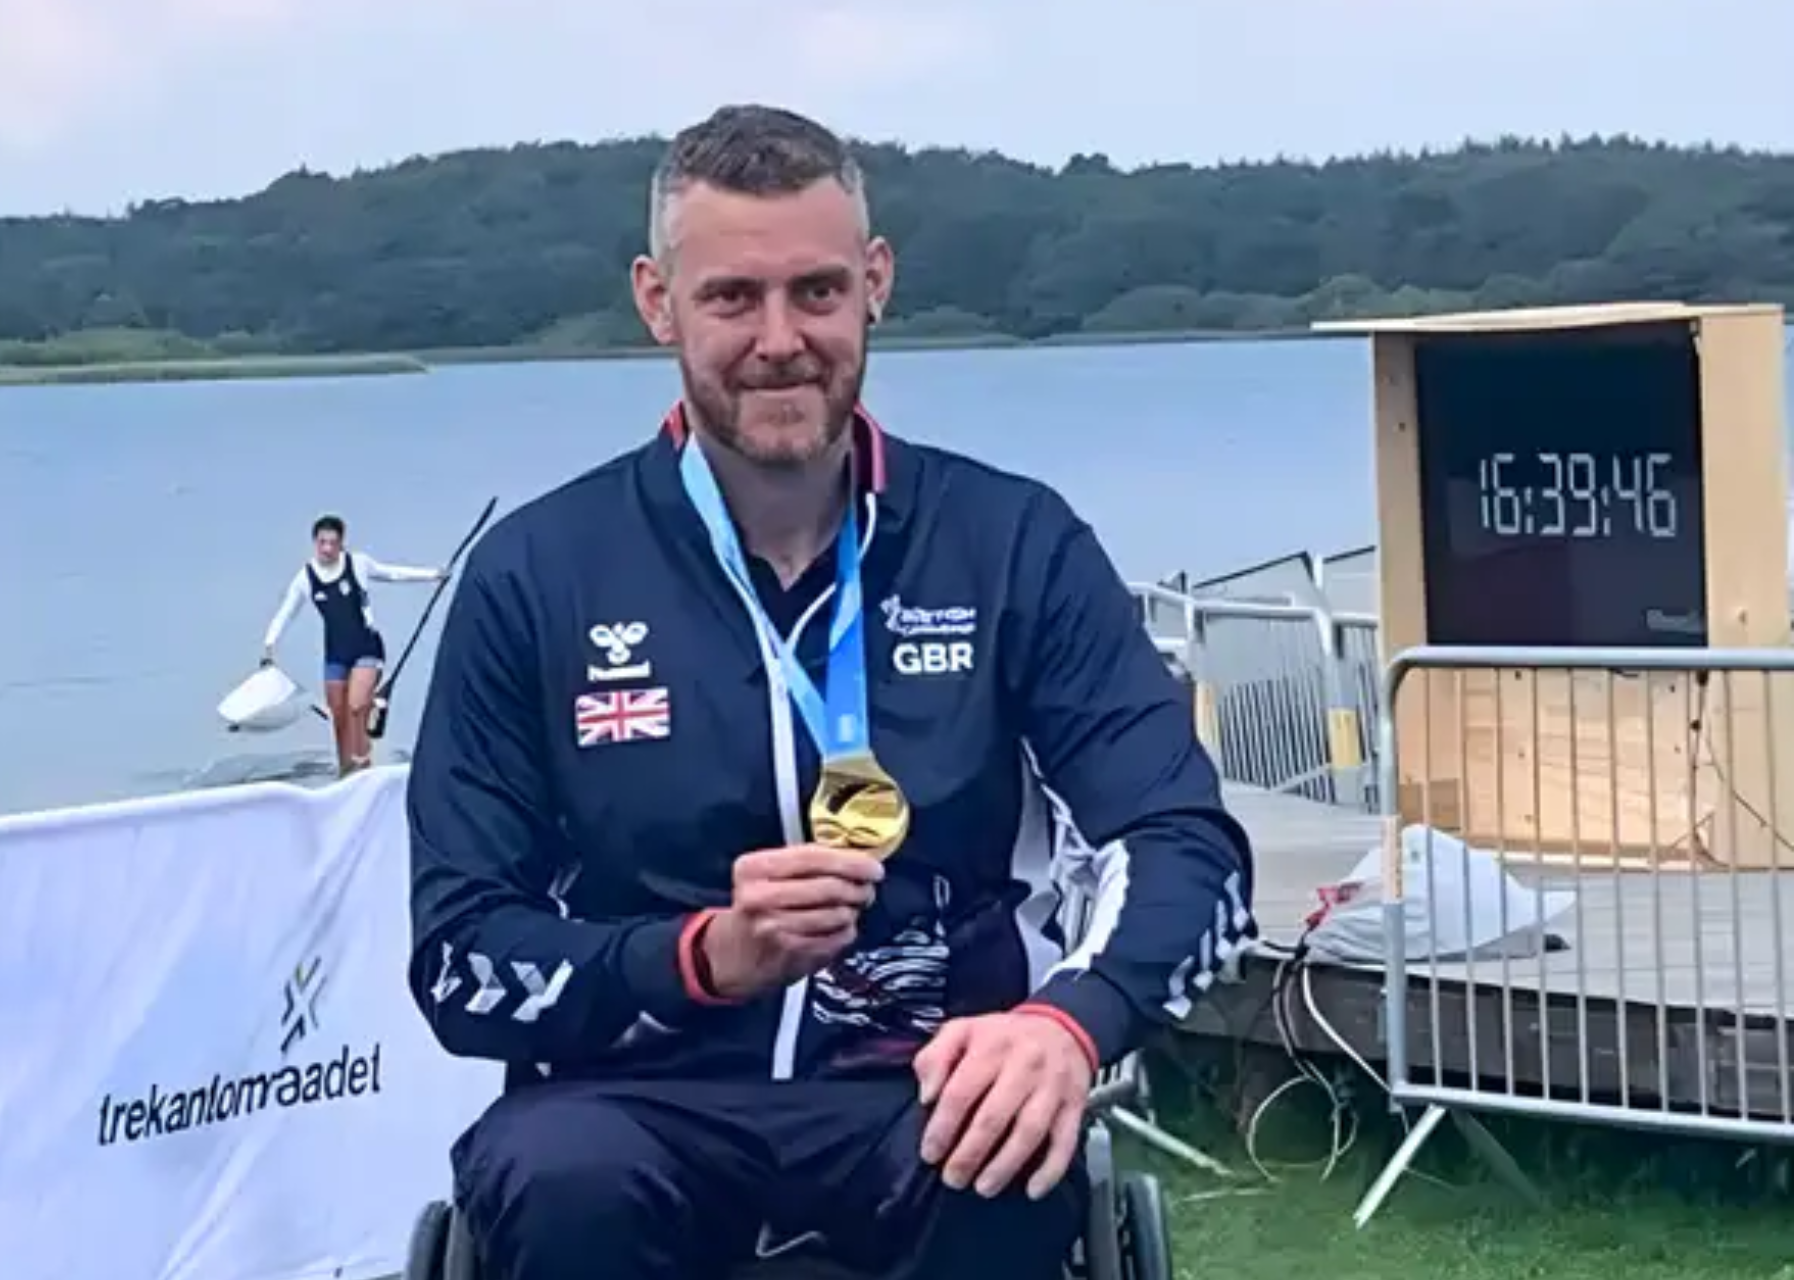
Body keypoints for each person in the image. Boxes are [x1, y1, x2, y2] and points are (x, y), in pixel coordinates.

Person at [406, 104, 1256, 1280]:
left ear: (876, 283)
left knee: (1008, 1157)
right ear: (657, 301)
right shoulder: (536, 574)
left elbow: (1183, 843)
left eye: (816, 291)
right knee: (560, 1181)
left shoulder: (1012, 543)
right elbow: (459, 953)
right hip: (628, 1098)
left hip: (927, 1083)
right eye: (731, 297)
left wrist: (1070, 1018)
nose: (780, 339)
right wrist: (699, 955)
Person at [262, 514, 444, 775]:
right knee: (339, 716)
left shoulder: (358, 564)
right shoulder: (305, 578)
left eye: (333, 543)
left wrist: (433, 575)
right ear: (315, 543)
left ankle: (363, 763)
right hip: (335, 655)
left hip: (367, 647)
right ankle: (346, 770)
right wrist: (269, 645)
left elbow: (392, 573)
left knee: (356, 706)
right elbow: (285, 613)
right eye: (322, 543)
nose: (327, 549)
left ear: (341, 543)